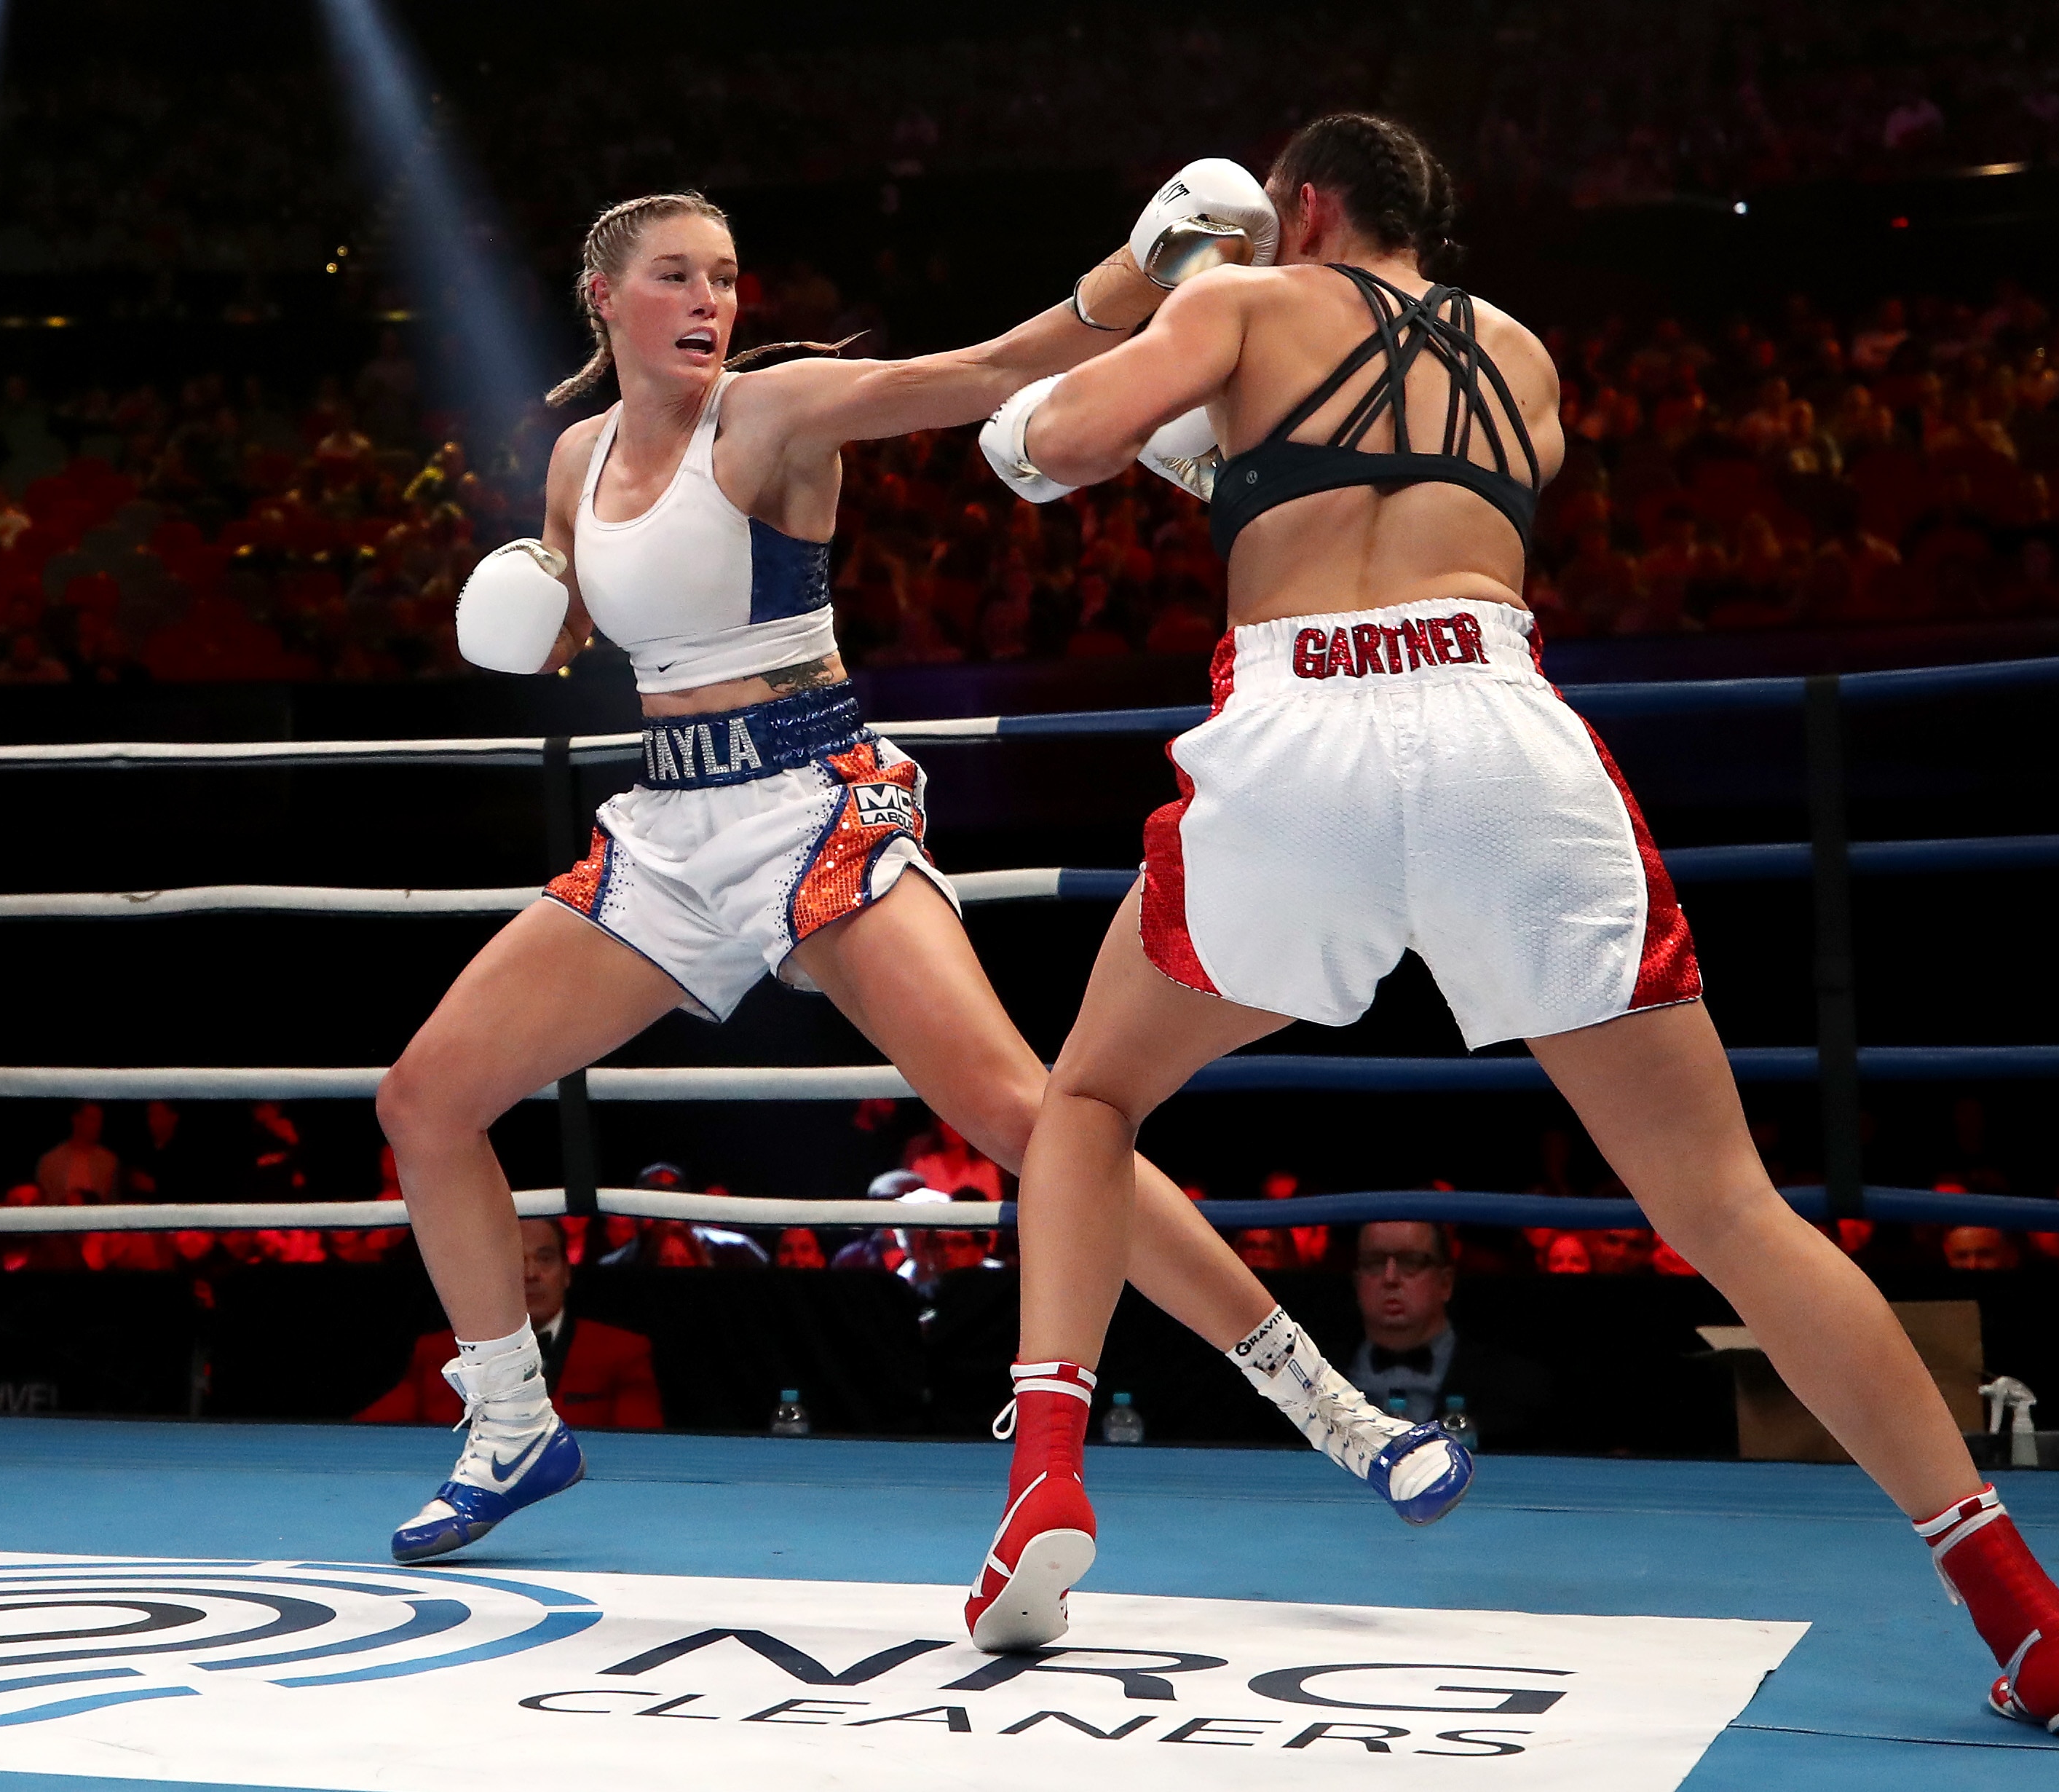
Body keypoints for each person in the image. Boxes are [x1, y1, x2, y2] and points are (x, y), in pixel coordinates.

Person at [965, 113, 2059, 1732]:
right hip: (1506, 733)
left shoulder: (1244, 299)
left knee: (1086, 1100)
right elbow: (1372, 500)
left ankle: (1045, 1482)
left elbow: (1035, 449)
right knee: (1727, 1201)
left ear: (1303, 206)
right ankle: (2028, 1616)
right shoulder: (1524, 364)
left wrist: (1160, 295)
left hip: (1304, 731)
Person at [375, 175, 1437, 1566]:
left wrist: (1134, 263)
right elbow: (596, 615)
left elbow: (996, 369)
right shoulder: (574, 461)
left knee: (1027, 1113)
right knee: (426, 1099)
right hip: (669, 829)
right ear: (606, 298)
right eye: (680, 277)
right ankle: (513, 1423)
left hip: (815, 806)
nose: (711, 302)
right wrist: (539, 599)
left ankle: (1328, 1403)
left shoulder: (779, 407)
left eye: (726, 276)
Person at [360, 1219, 663, 1432]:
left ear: (567, 1274)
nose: (531, 1274)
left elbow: (645, 1453)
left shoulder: (623, 1352)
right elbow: (362, 1437)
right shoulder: (436, 1353)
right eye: (514, 1260)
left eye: (545, 1259)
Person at [1345, 1221, 1546, 1447]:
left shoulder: (1514, 1386)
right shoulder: (1309, 1376)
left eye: (1411, 1262)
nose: (1390, 1278)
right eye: (1374, 1263)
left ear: (1446, 1282)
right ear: (1357, 1281)